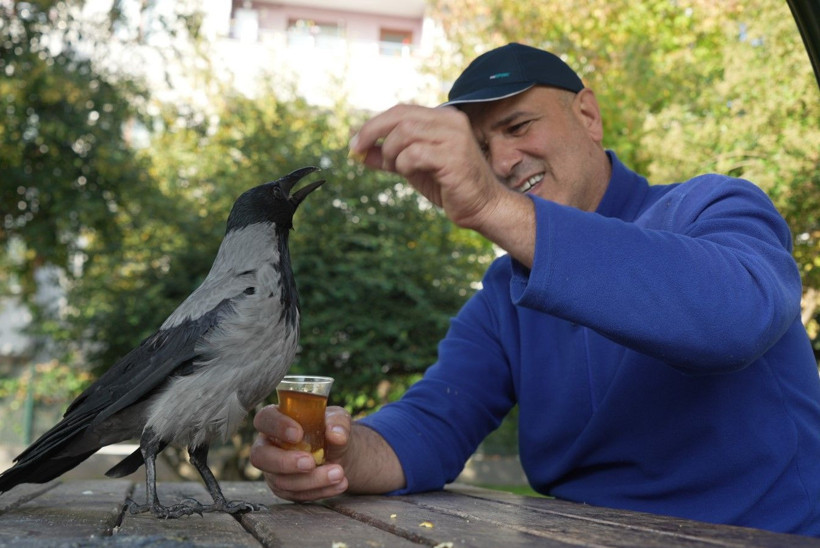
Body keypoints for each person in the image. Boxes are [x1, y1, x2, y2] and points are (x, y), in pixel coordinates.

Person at [250, 43, 820, 536]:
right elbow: (435, 422)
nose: (501, 160)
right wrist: (341, 452)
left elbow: (731, 318)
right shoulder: (505, 291)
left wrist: (493, 207)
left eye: (519, 126)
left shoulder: (715, 206)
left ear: (588, 114)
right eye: (480, 147)